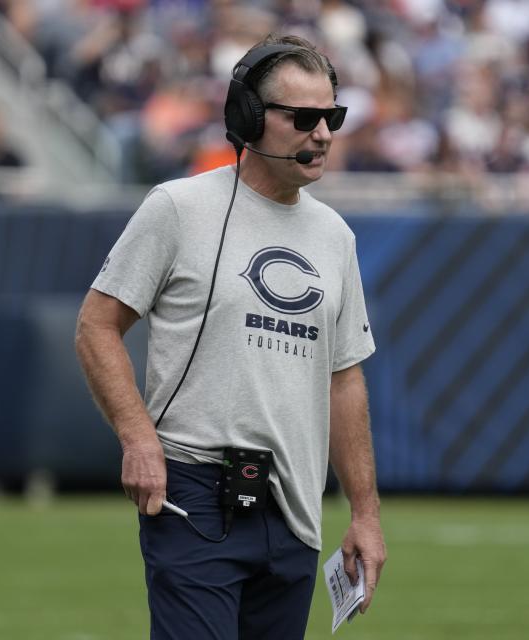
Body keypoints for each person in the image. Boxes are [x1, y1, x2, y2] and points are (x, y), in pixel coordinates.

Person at [74, 34, 386, 639]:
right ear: (247, 117)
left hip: (295, 508)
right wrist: (138, 438)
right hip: (193, 491)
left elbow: (344, 380)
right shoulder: (177, 208)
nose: (322, 134)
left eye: (332, 117)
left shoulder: (336, 237)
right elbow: (96, 325)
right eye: (303, 118)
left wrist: (366, 516)